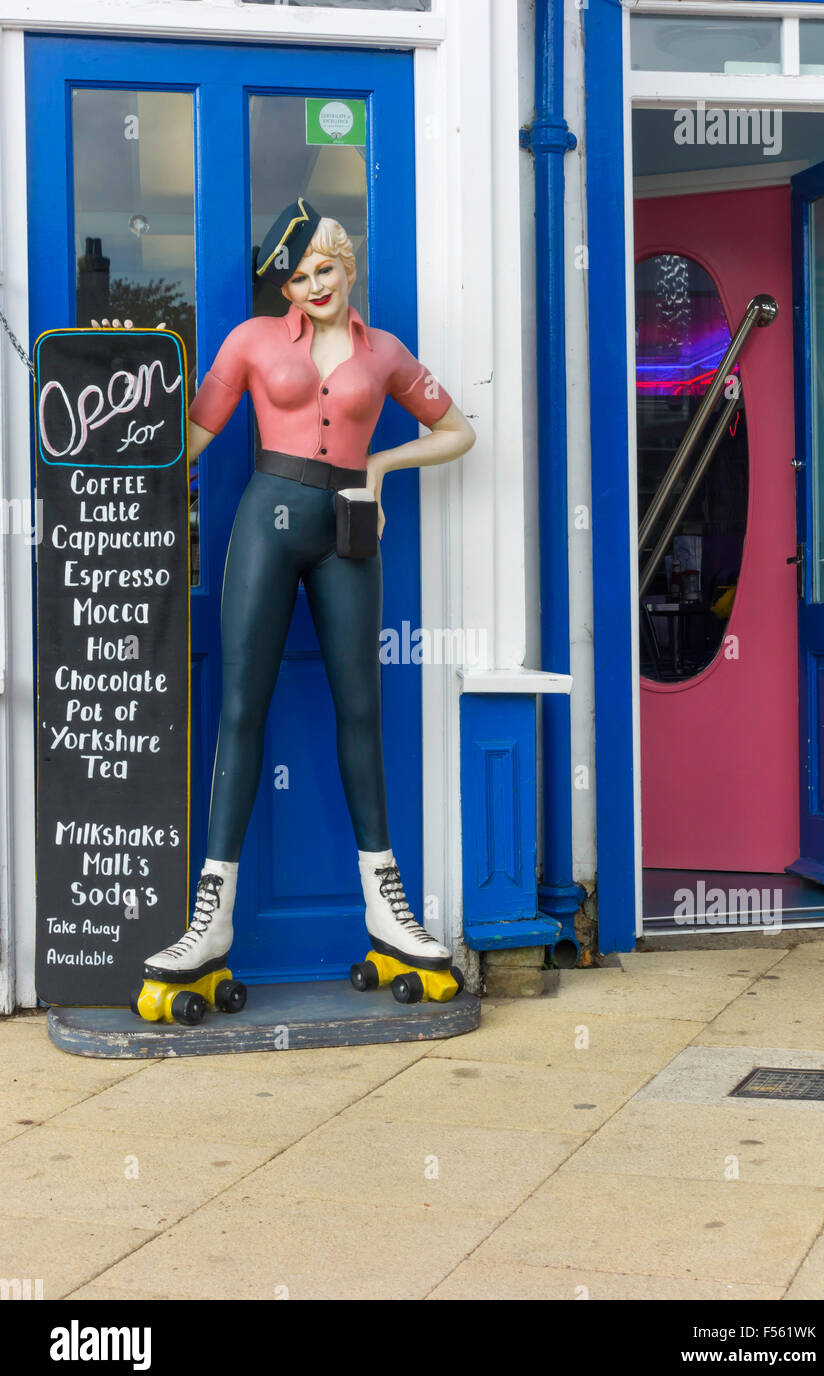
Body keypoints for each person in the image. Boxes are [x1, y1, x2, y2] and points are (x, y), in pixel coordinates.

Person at [140, 197, 476, 986]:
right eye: (296, 276)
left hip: (349, 530)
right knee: (239, 707)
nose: (313, 283)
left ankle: (387, 912)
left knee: (361, 708)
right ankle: (211, 920)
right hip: (266, 518)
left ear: (348, 264)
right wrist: (112, 456)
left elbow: (459, 431)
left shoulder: (386, 351)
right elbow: (193, 438)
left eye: (324, 266)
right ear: (282, 290)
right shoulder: (251, 341)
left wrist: (382, 470)